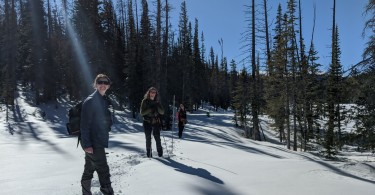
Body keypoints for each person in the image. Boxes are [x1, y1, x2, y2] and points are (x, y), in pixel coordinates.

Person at [80, 74, 114, 195]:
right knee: (103, 169)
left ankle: (85, 193)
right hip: (94, 143)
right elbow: (84, 125)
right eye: (100, 82)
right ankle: (108, 192)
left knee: (89, 168)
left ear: (108, 85)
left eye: (105, 82)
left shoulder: (103, 100)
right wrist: (87, 145)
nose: (103, 85)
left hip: (97, 140)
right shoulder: (91, 101)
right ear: (96, 84)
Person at [140, 87, 165, 157]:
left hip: (155, 121)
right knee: (148, 138)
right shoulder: (144, 101)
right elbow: (142, 113)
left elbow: (162, 112)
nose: (153, 94)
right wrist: (150, 109)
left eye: (154, 92)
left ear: (156, 94)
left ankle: (160, 154)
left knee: (157, 138)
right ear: (149, 93)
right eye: (151, 92)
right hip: (147, 122)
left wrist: (157, 106)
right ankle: (149, 155)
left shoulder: (157, 102)